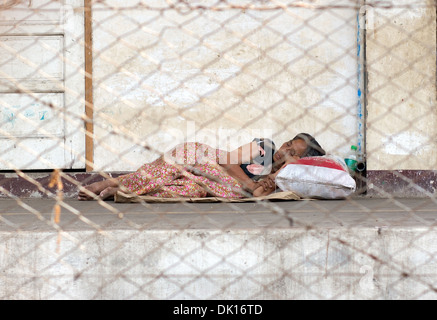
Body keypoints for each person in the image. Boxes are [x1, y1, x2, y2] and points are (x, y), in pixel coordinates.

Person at [77, 133, 325, 201]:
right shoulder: (266, 148)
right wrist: (250, 184)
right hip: (200, 159)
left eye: (293, 153)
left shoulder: (283, 179)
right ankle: (113, 181)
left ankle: (124, 190)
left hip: (206, 183)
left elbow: (259, 194)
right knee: (187, 160)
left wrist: (279, 173)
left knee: (192, 191)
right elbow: (227, 161)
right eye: (288, 144)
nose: (285, 151)